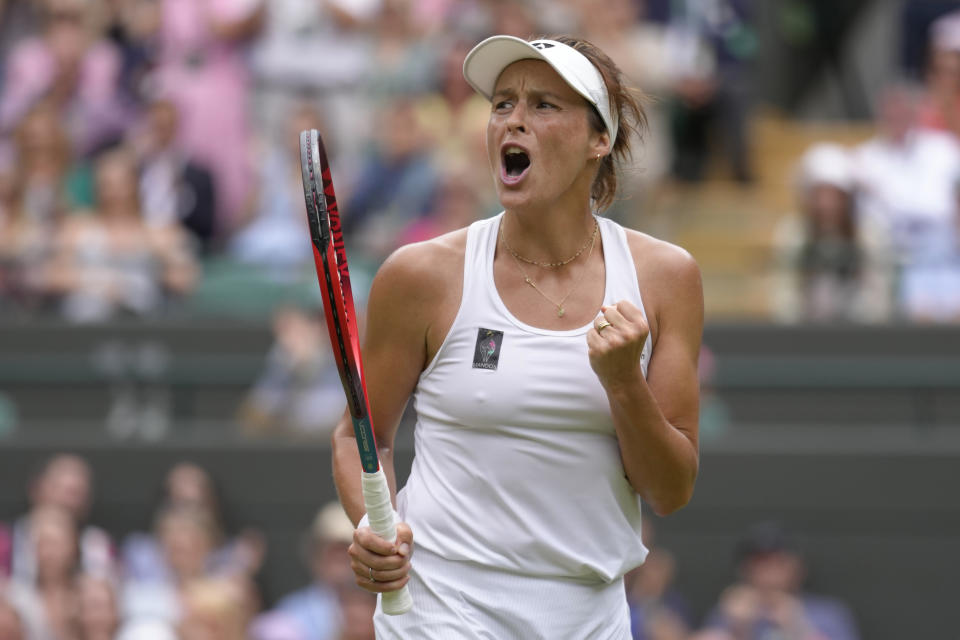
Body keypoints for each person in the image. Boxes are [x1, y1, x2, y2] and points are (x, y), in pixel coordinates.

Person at [333, 34, 703, 637]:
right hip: (441, 607)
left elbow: (670, 490)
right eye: (503, 104)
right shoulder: (421, 275)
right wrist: (373, 527)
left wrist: (622, 384)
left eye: (544, 106)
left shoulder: (666, 277)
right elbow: (359, 436)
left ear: (598, 139)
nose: (514, 121)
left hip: (591, 614)